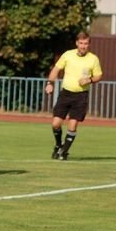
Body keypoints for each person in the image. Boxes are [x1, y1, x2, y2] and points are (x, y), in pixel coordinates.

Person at [45, 31, 103, 160]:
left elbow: (99, 75)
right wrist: (50, 83)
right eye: (81, 43)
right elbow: (56, 69)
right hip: (66, 93)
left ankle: (64, 152)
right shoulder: (68, 55)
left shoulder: (93, 59)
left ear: (89, 44)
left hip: (81, 96)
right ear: (77, 43)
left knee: (72, 125)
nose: (83, 46)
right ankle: (58, 145)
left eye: (86, 43)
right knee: (55, 124)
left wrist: (90, 80)